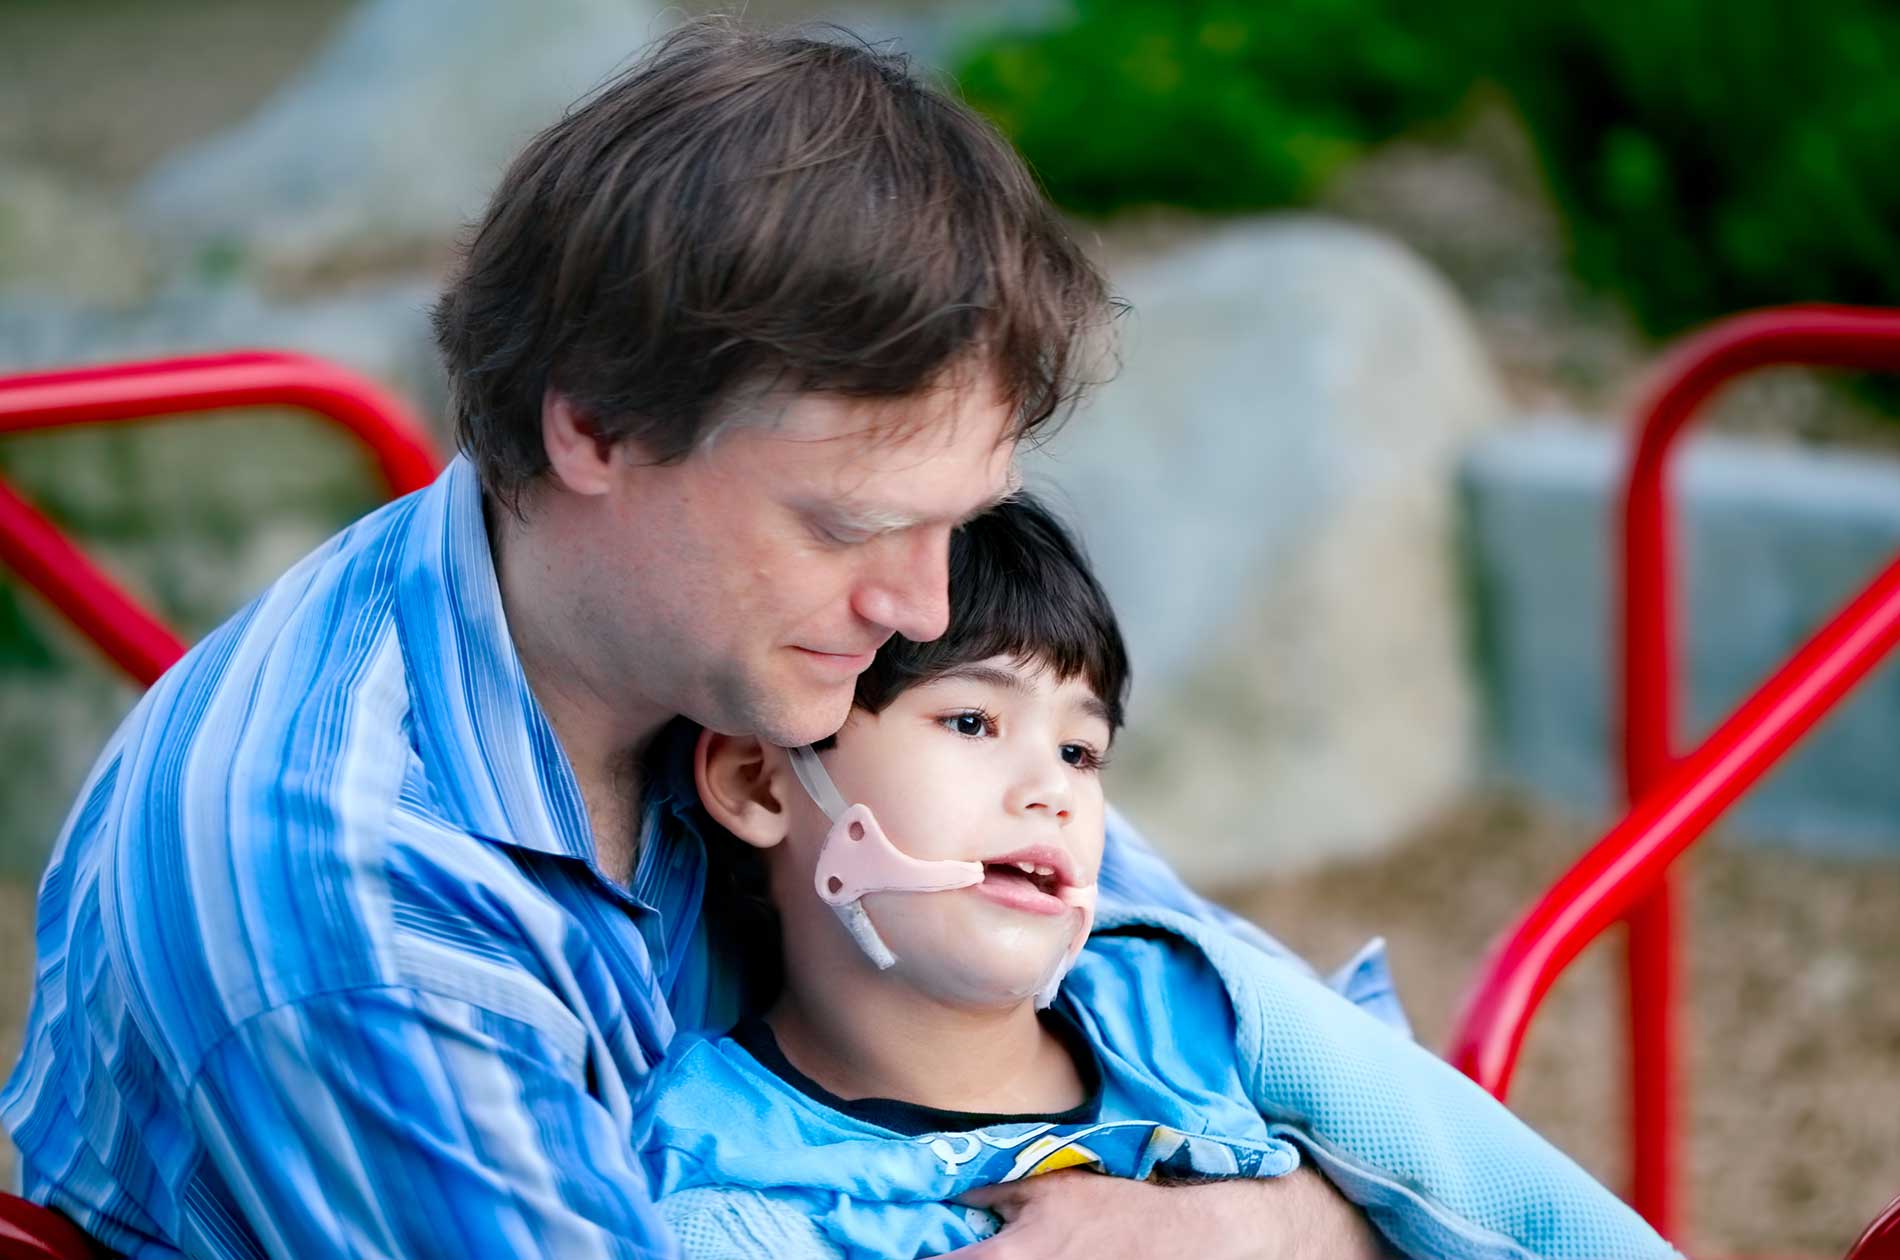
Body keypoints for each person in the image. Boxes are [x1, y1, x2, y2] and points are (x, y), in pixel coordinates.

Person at [5, 18, 1389, 1260]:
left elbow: (1309, 1055)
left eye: (955, 525)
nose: (922, 608)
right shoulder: (364, 912)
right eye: (849, 525)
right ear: (596, 427)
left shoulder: (730, 635)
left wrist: (1247, 1224)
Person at [635, 495, 1681, 1260]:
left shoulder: (1203, 1006)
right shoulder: (720, 1193)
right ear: (759, 781)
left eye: (1079, 751)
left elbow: (1542, 1220)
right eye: (972, 721)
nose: (1049, 790)